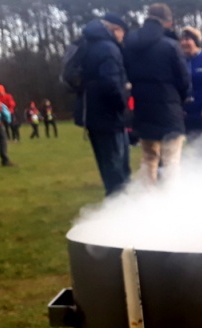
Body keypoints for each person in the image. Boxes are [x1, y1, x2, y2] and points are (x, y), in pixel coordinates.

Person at [123, 3, 191, 184]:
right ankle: (169, 201)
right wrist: (182, 100)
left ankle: (147, 200)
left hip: (143, 108)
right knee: (171, 161)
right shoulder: (171, 46)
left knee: (149, 158)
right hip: (169, 109)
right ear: (167, 22)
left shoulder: (130, 43)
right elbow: (183, 80)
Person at [75, 13, 131, 196]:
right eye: (123, 32)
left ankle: (114, 211)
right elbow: (111, 83)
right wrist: (123, 106)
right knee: (118, 173)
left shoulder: (87, 45)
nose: (123, 37)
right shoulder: (109, 48)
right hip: (110, 117)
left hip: (92, 115)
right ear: (115, 29)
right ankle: (120, 214)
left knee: (108, 170)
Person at [179, 26, 202, 139]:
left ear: (196, 42)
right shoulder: (180, 60)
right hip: (188, 114)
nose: (184, 43)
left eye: (188, 39)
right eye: (182, 39)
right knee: (194, 149)